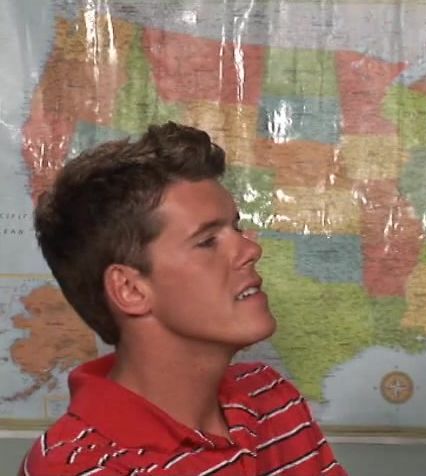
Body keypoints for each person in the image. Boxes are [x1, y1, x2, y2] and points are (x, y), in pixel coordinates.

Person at [19, 123, 347, 475]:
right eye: (207, 241)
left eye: (235, 228)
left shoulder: (273, 399)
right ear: (130, 289)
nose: (251, 250)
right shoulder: (78, 468)